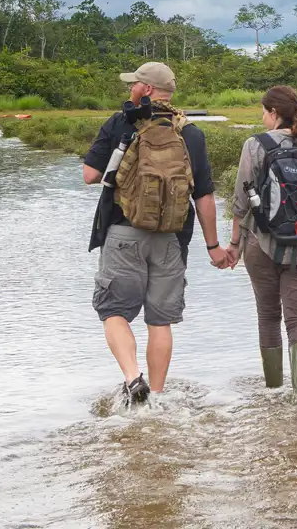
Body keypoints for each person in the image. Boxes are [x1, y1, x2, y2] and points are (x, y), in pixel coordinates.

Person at [82, 62, 228, 406]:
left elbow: (90, 175)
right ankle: (157, 398)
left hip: (122, 233)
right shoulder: (189, 132)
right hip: (172, 240)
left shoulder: (121, 123)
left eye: (134, 83)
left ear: (146, 90)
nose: (129, 88)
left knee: (113, 311)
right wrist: (213, 246)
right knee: (160, 321)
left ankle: (133, 378)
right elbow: (204, 195)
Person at [225, 86, 297, 401]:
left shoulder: (254, 146)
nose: (262, 117)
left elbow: (240, 203)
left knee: (268, 314)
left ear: (274, 114)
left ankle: (273, 392)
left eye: (263, 111)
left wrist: (234, 244)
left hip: (259, 246)